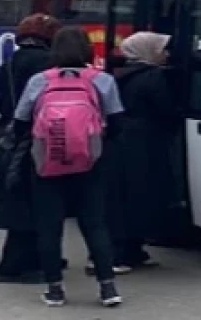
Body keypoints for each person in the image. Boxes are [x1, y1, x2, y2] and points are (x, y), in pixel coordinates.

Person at [8, 27, 126, 308]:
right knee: (95, 224)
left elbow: (21, 122)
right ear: (87, 49)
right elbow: (118, 123)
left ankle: (55, 290)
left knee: (49, 227)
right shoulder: (103, 80)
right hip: (90, 164)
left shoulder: (40, 81)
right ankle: (107, 287)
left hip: (47, 163)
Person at [0, 13, 60, 284]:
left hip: (8, 134)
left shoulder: (10, 63)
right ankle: (14, 266)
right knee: (35, 200)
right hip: (35, 136)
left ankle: (35, 257)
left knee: (16, 198)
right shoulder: (50, 64)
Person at [103, 31, 179, 274]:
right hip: (144, 143)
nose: (166, 54)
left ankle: (128, 250)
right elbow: (164, 109)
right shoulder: (153, 77)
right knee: (140, 194)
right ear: (148, 51)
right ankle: (124, 253)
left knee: (121, 196)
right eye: (162, 49)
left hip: (119, 141)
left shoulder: (117, 74)